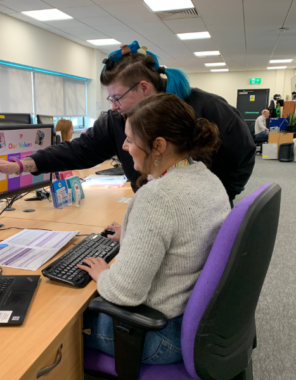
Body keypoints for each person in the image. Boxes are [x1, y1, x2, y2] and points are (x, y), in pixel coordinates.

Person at [0, 40, 255, 205]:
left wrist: (217, 199)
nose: (114, 107)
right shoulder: (119, 119)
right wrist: (21, 165)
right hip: (151, 208)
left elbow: (242, 156)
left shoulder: (207, 108)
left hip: (198, 211)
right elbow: (79, 150)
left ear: (144, 88)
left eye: (117, 98)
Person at [76, 93, 230, 364]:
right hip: (196, 322)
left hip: (156, 333)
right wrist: (137, 236)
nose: (124, 146)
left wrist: (102, 275)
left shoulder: (158, 196)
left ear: (158, 145)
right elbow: (188, 231)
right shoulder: (208, 177)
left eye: (131, 140)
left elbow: (125, 294)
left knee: (60, 325)